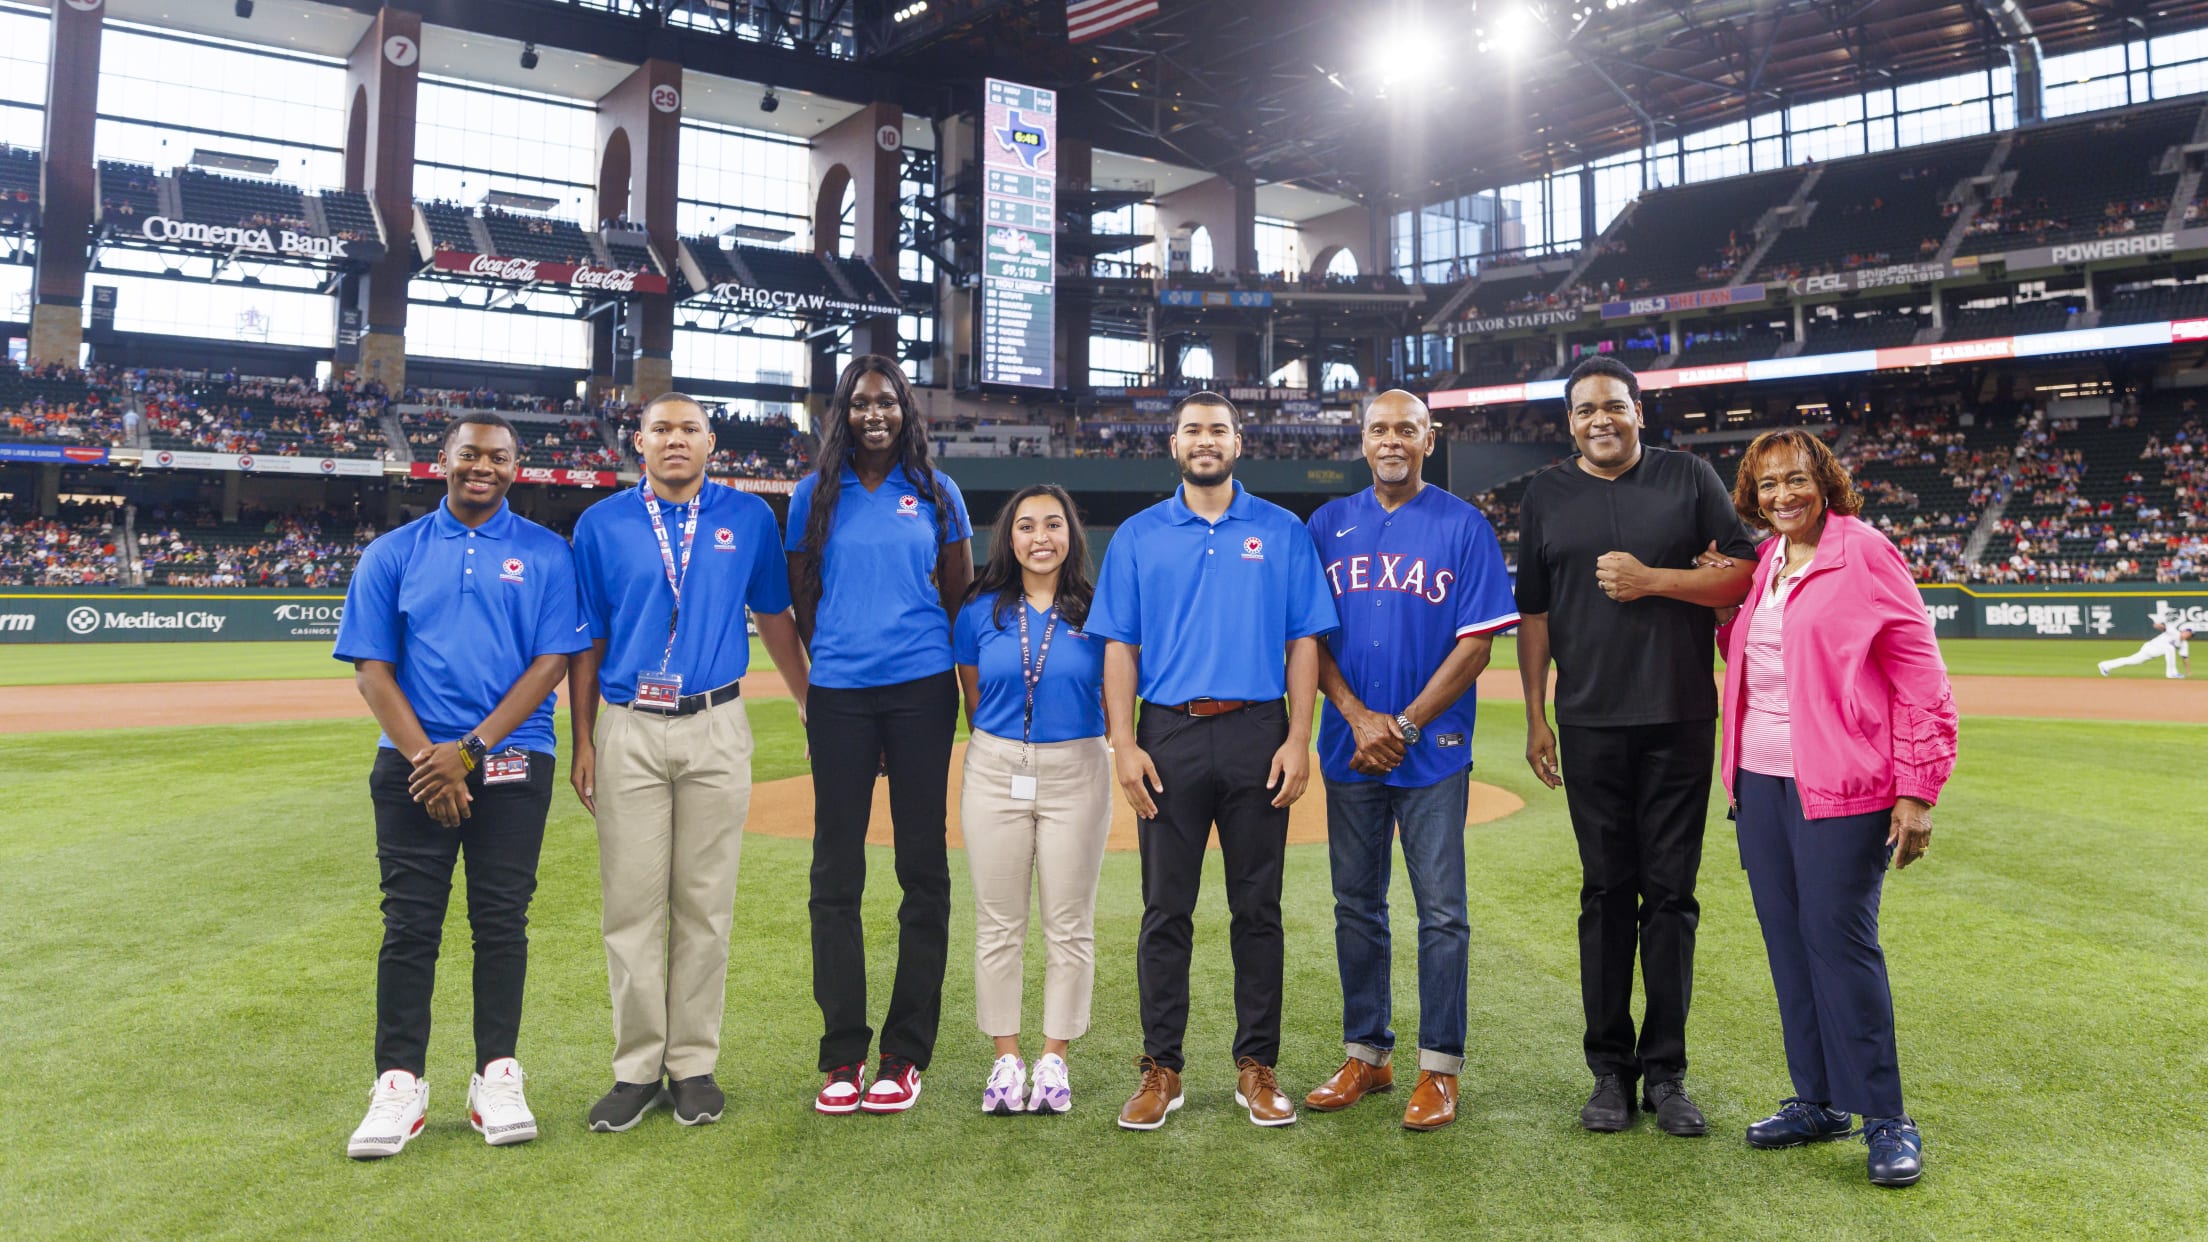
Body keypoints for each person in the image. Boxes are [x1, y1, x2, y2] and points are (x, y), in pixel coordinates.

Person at [333, 411, 589, 1159]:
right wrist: (431, 760)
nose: (484, 467)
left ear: (516, 467)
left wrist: (468, 753)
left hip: (513, 757)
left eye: (499, 457)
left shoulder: (547, 552)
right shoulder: (393, 552)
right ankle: (398, 1084)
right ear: (442, 459)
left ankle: (496, 1076)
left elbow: (551, 662)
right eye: (470, 454)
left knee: (502, 922)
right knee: (409, 925)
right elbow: (372, 671)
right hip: (412, 765)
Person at [1514, 356, 1758, 1136]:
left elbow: (1743, 576)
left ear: (1638, 412)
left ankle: (1668, 1074)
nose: (1601, 420)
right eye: (1586, 410)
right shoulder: (1545, 493)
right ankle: (1609, 1073)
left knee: (1673, 898)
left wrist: (1654, 579)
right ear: (1570, 422)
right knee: (1606, 895)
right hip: (1589, 722)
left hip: (1679, 717)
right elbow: (1534, 615)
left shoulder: (1689, 478)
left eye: (1614, 406)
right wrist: (1535, 715)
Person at [1711, 428, 1958, 1188]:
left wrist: (1917, 792)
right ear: (1753, 496)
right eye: (1768, 483)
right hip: (1759, 781)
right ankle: (1817, 1101)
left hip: (1844, 784)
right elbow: (1768, 659)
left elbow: (1921, 677)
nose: (1783, 494)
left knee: (1840, 945)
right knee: (1789, 946)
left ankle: (1886, 1117)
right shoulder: (1767, 562)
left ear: (1824, 482)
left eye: (1797, 479)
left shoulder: (1866, 553)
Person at [1087, 391, 1339, 1131]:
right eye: (1192, 430)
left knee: (1258, 909)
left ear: (1238, 442)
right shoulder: (1138, 535)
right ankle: (1161, 1068)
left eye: (1218, 430)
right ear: (1173, 445)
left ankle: (1256, 1066)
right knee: (1166, 909)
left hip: (1258, 729)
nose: (1206, 440)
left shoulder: (1282, 529)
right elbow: (1120, 646)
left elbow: (1303, 641)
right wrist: (1124, 743)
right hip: (1168, 733)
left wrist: (1298, 737)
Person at [567, 392, 812, 1133]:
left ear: (712, 444)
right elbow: (589, 639)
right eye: (661, 429)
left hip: (716, 722)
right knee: (631, 905)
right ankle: (636, 1069)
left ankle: (693, 1064)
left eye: (689, 429)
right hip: (629, 725)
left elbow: (774, 616)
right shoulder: (600, 523)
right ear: (638, 442)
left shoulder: (749, 517)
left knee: (705, 904)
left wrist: (808, 700)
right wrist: (583, 738)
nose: (675, 440)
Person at [1301, 391, 1519, 1132]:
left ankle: (1439, 1069)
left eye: (1406, 429)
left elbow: (1478, 644)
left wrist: (1402, 723)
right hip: (1349, 747)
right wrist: (1358, 718)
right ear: (1362, 441)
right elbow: (1309, 638)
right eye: (1379, 429)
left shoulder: (1464, 525)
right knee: (1356, 906)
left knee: (1442, 913)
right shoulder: (1326, 524)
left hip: (1434, 751)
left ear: (1430, 438)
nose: (1391, 440)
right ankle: (1368, 1055)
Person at [786, 355, 973, 1115]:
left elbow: (958, 597)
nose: (874, 414)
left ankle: (904, 1053)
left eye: (887, 402)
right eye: (860, 403)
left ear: (906, 410)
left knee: (922, 867)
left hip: (922, 690)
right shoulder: (813, 495)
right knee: (835, 874)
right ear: (843, 412)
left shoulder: (936, 491)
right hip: (839, 695)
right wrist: (835, 658)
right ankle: (842, 1054)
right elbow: (804, 596)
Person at [952, 485, 1111, 1116]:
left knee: (1069, 924)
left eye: (1052, 524)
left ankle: (1054, 1059)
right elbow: (973, 697)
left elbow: (1118, 691)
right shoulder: (978, 611)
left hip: (1079, 768)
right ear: (1008, 538)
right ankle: (1006, 1058)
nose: (1039, 537)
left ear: (1071, 534)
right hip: (995, 768)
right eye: (1026, 526)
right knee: (998, 924)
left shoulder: (1099, 609)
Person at [2098, 617, 2192, 678]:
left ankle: (2105, 665)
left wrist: (2188, 672)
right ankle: (2172, 673)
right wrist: (2158, 625)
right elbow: (2163, 627)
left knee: (2130, 660)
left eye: (2190, 635)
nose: (2187, 635)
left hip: (2153, 653)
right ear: (2183, 631)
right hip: (2151, 647)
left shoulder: (2184, 644)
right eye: (2187, 632)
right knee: (2170, 648)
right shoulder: (2174, 632)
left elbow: (2185, 658)